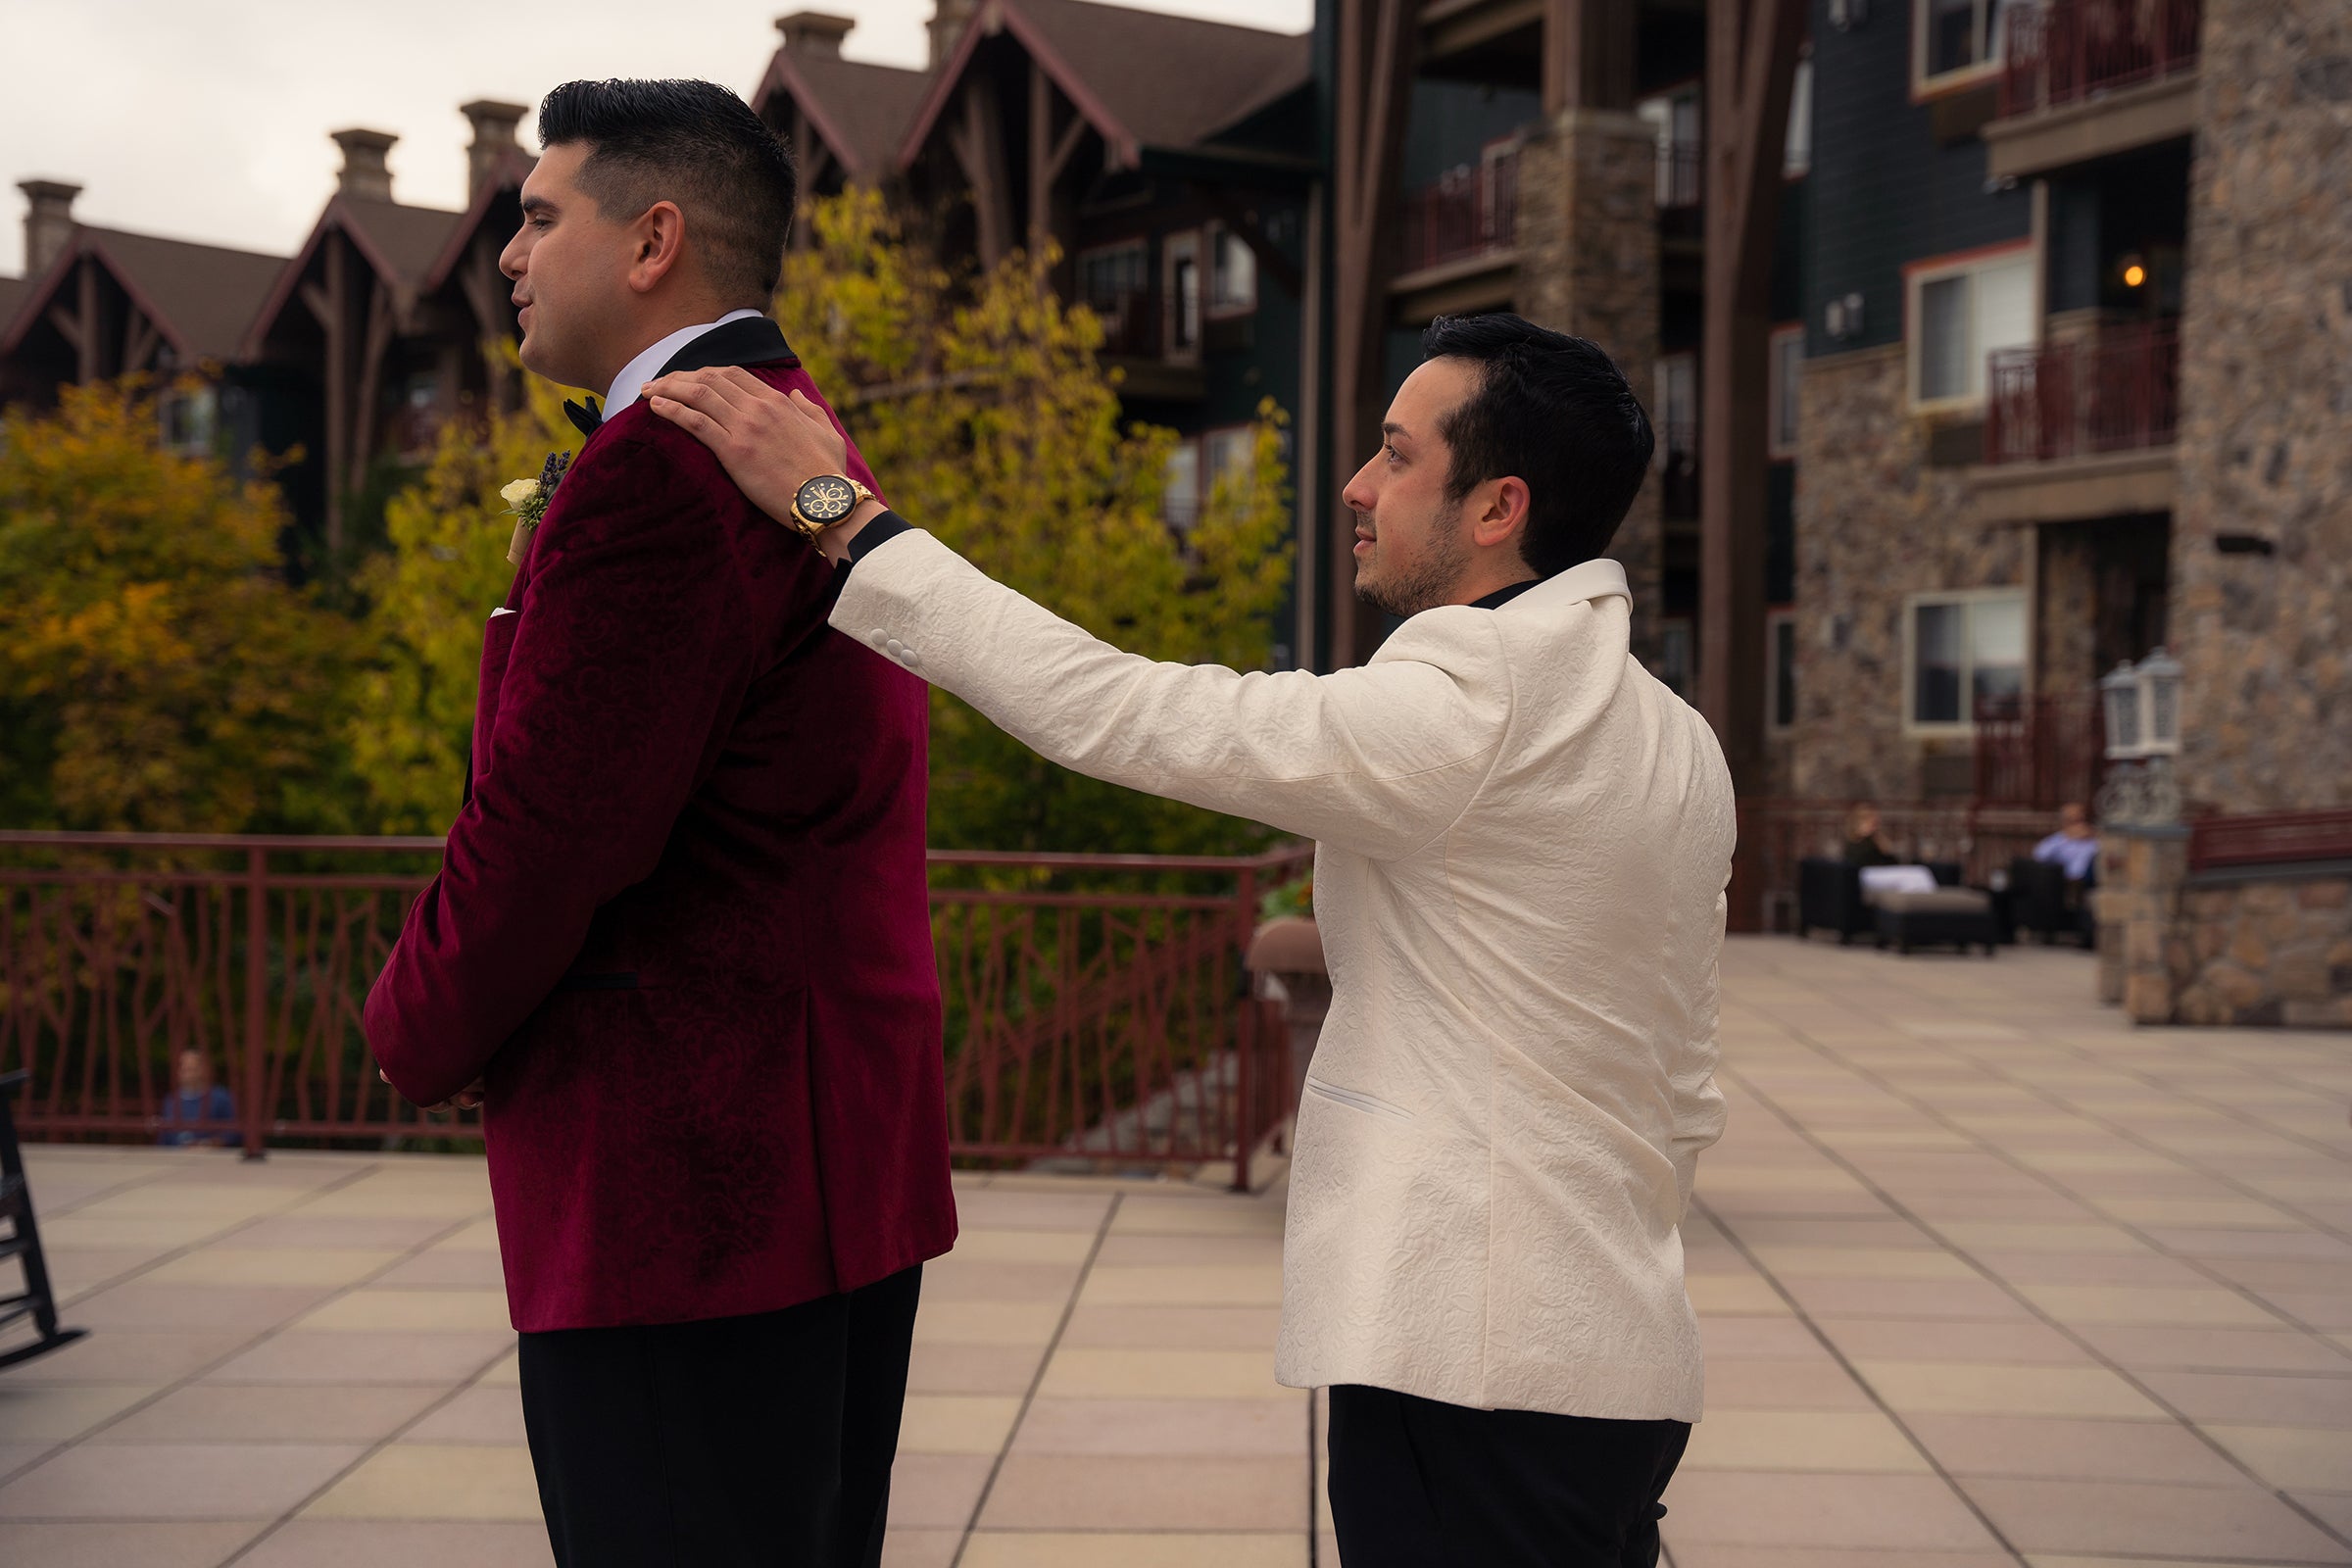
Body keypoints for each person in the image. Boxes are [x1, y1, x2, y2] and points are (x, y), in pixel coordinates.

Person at [648, 314, 1732, 1568]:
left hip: (1472, 1357)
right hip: (1619, 1348)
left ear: (1498, 507)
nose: (1358, 487)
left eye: (1395, 454)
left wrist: (841, 516)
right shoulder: (1675, 735)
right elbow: (1686, 1081)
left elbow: (1122, 709)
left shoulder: (1474, 703)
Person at [364, 78, 955, 1568]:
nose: (507, 253)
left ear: (655, 242)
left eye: (539, 215)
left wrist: (406, 1025)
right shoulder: (795, 437)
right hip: (819, 1169)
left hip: (691, 1195)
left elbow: (552, 832)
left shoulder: (668, 467)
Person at [156, 1048, 237, 1149]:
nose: (187, 1074)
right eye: (183, 1068)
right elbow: (164, 1138)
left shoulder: (220, 1098)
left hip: (207, 1160)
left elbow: (232, 1132)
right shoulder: (171, 1100)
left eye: (191, 1069)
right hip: (174, 1159)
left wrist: (207, 1145)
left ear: (203, 1070)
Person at [2033, 800, 2099, 886]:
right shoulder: (2058, 839)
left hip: (2091, 882)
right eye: (2072, 821)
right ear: (2064, 822)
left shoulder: (2093, 839)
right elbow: (2040, 855)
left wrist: (2094, 834)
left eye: (2079, 820)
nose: (2077, 825)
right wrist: (2067, 838)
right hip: (2064, 883)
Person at [1841, 802, 1899, 866]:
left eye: (1875, 821)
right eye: (1869, 820)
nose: (1874, 824)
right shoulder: (1853, 844)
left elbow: (1893, 861)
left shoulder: (1877, 840)